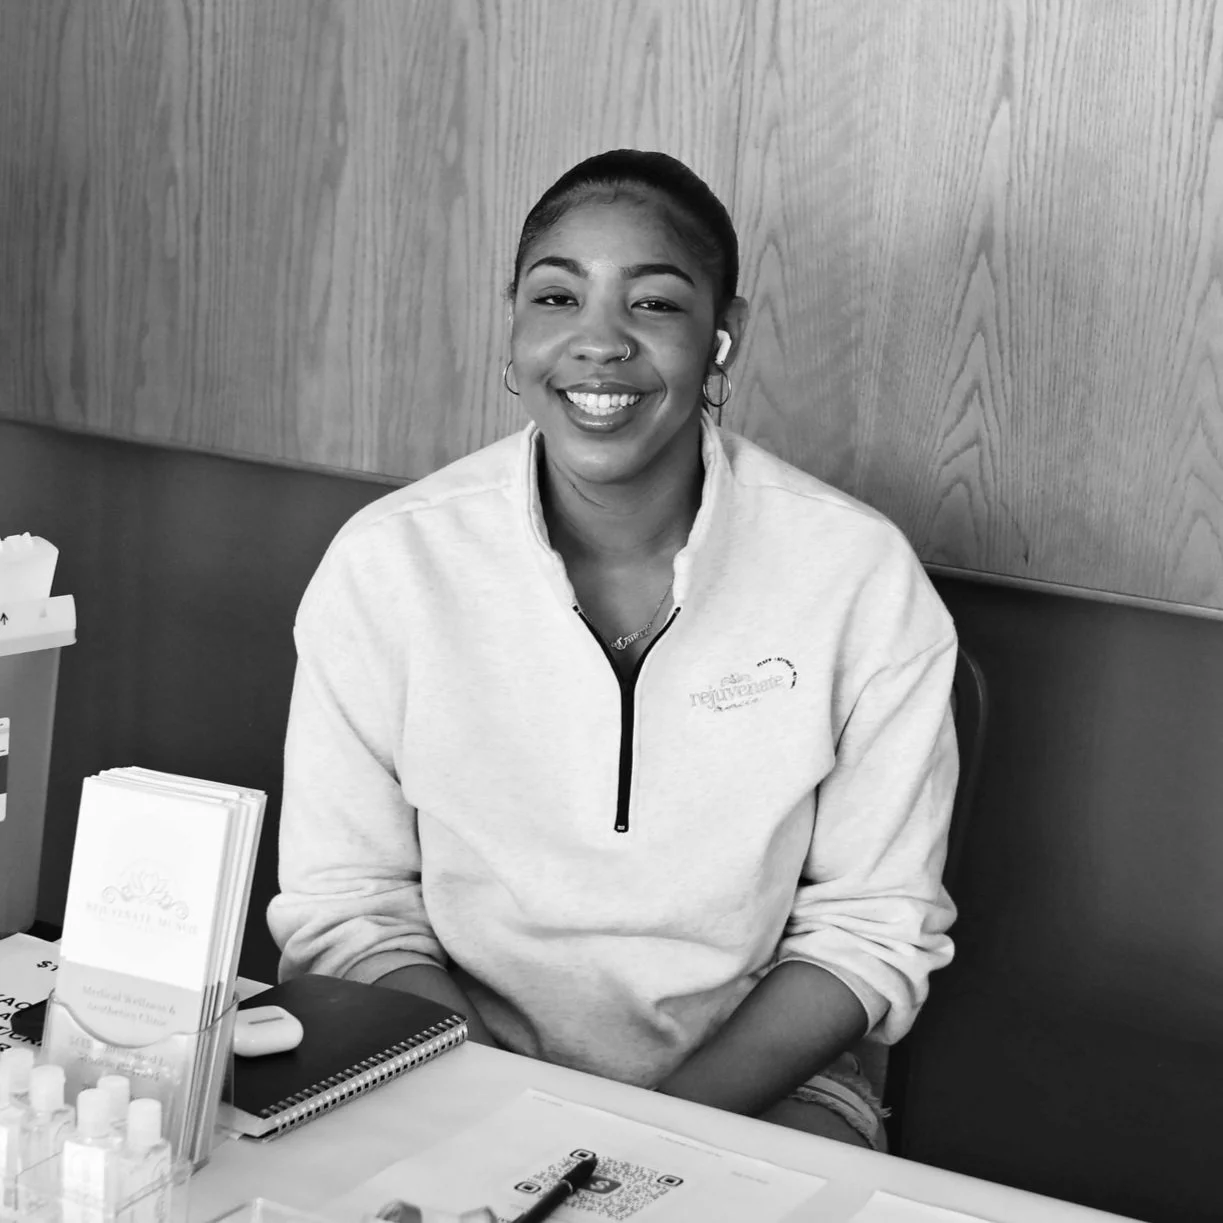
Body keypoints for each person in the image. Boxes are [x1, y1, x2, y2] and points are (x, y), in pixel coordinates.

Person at [268, 149, 959, 1152]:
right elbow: (349, 908)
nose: (598, 342)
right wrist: (499, 1119)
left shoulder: (857, 574)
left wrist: (635, 1137)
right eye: (556, 297)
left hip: (760, 1090)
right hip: (442, 1066)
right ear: (512, 329)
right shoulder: (388, 563)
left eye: (654, 304)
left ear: (721, 337)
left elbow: (870, 926)